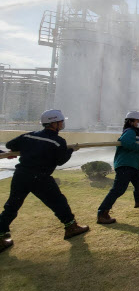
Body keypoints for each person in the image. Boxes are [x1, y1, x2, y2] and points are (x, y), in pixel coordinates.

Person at [0, 109, 89, 254]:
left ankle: (0, 235)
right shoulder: (58, 141)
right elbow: (61, 161)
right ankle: (71, 227)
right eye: (60, 121)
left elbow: (11, 144)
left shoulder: (28, 136)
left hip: (21, 175)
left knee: (12, 206)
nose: (62, 124)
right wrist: (71, 150)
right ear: (53, 123)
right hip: (40, 177)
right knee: (58, 202)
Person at [97, 111, 139, 224]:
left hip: (133, 165)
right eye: (137, 121)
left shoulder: (135, 133)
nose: (138, 124)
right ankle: (102, 213)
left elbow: (136, 146)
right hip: (126, 165)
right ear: (131, 121)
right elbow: (126, 143)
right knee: (118, 190)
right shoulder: (130, 131)